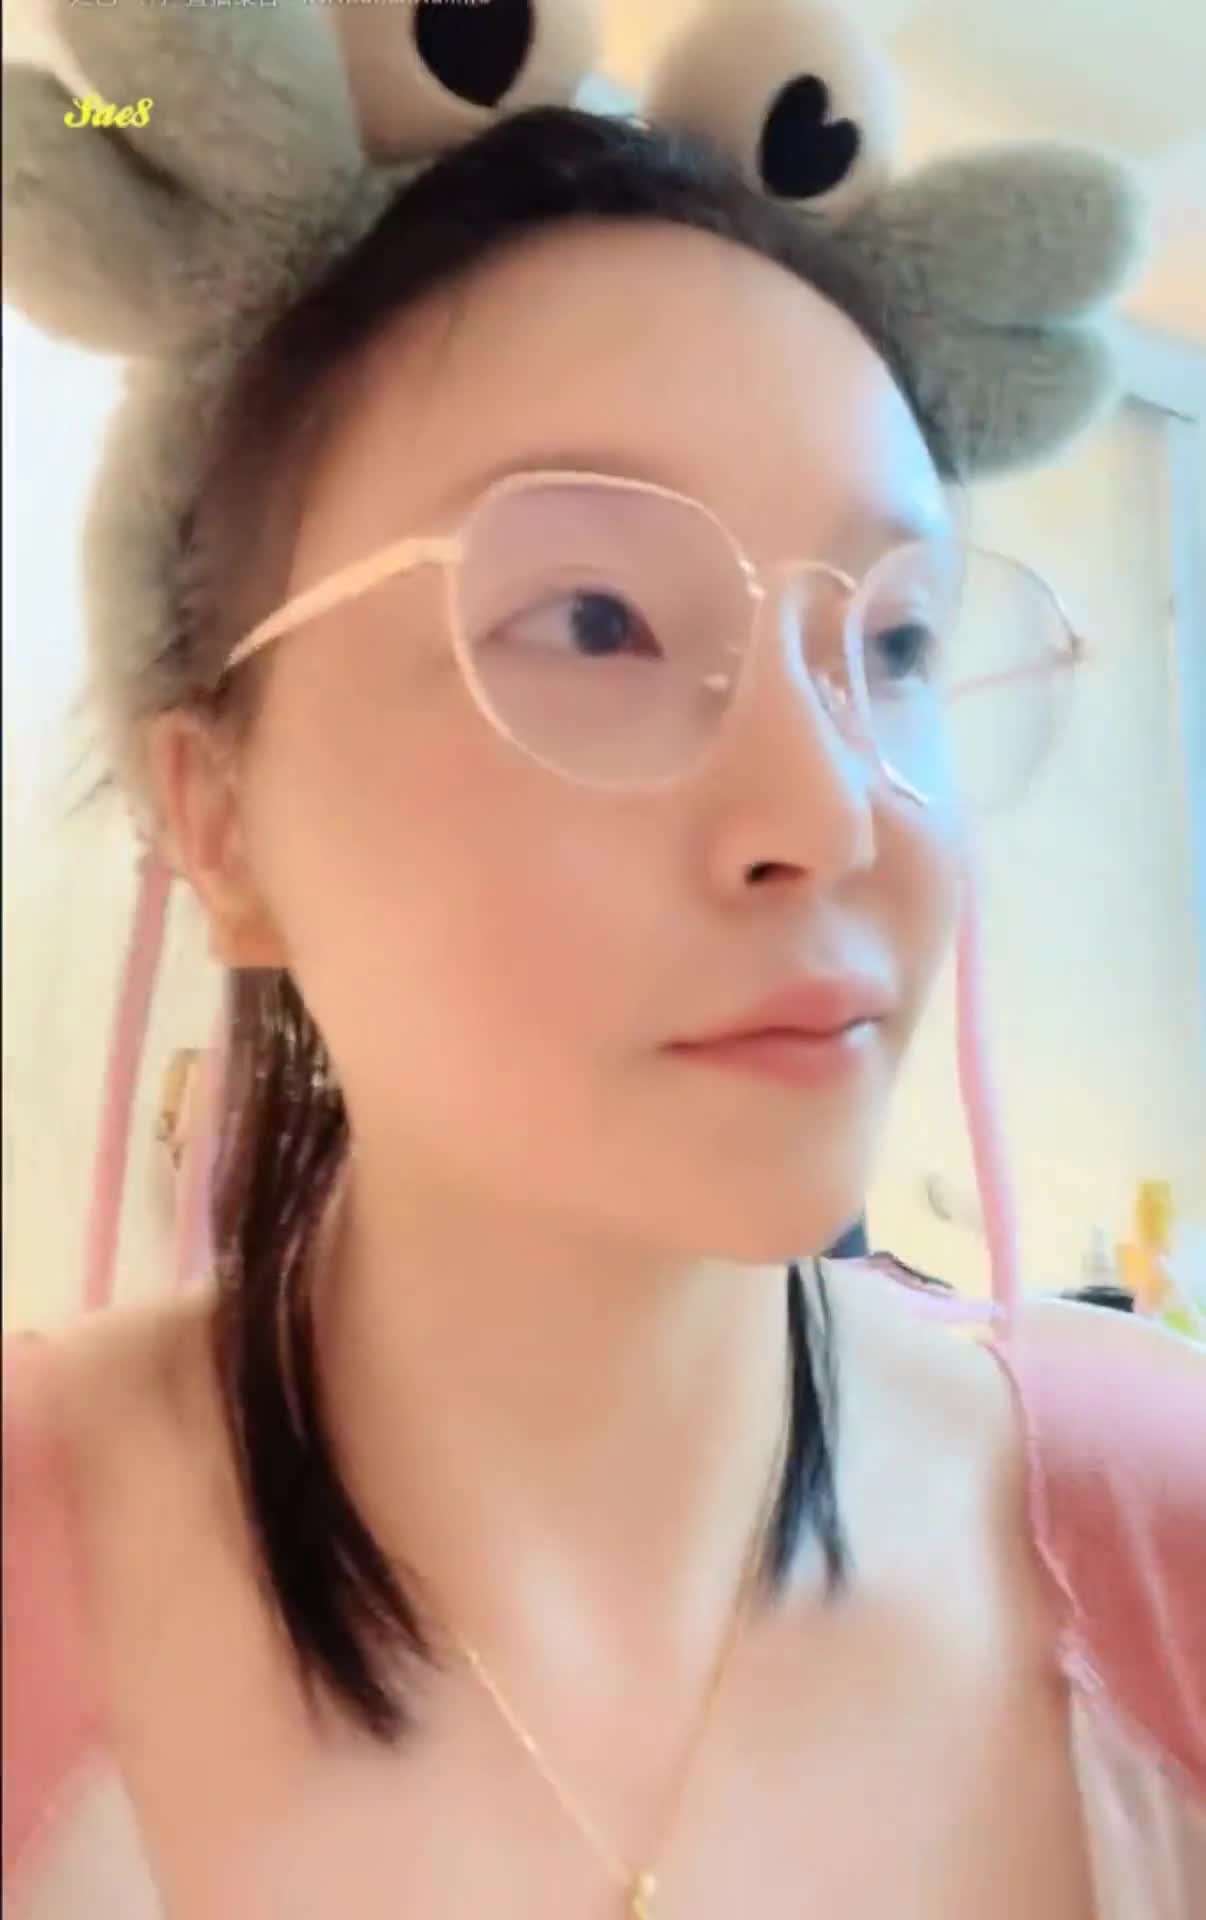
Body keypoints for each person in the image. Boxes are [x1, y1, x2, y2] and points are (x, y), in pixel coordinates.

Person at [3, 5, 1204, 1917]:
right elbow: (107, 101)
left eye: (890, 641)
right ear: (218, 820)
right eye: (593, 619)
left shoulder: (1162, 1530)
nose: (828, 812)